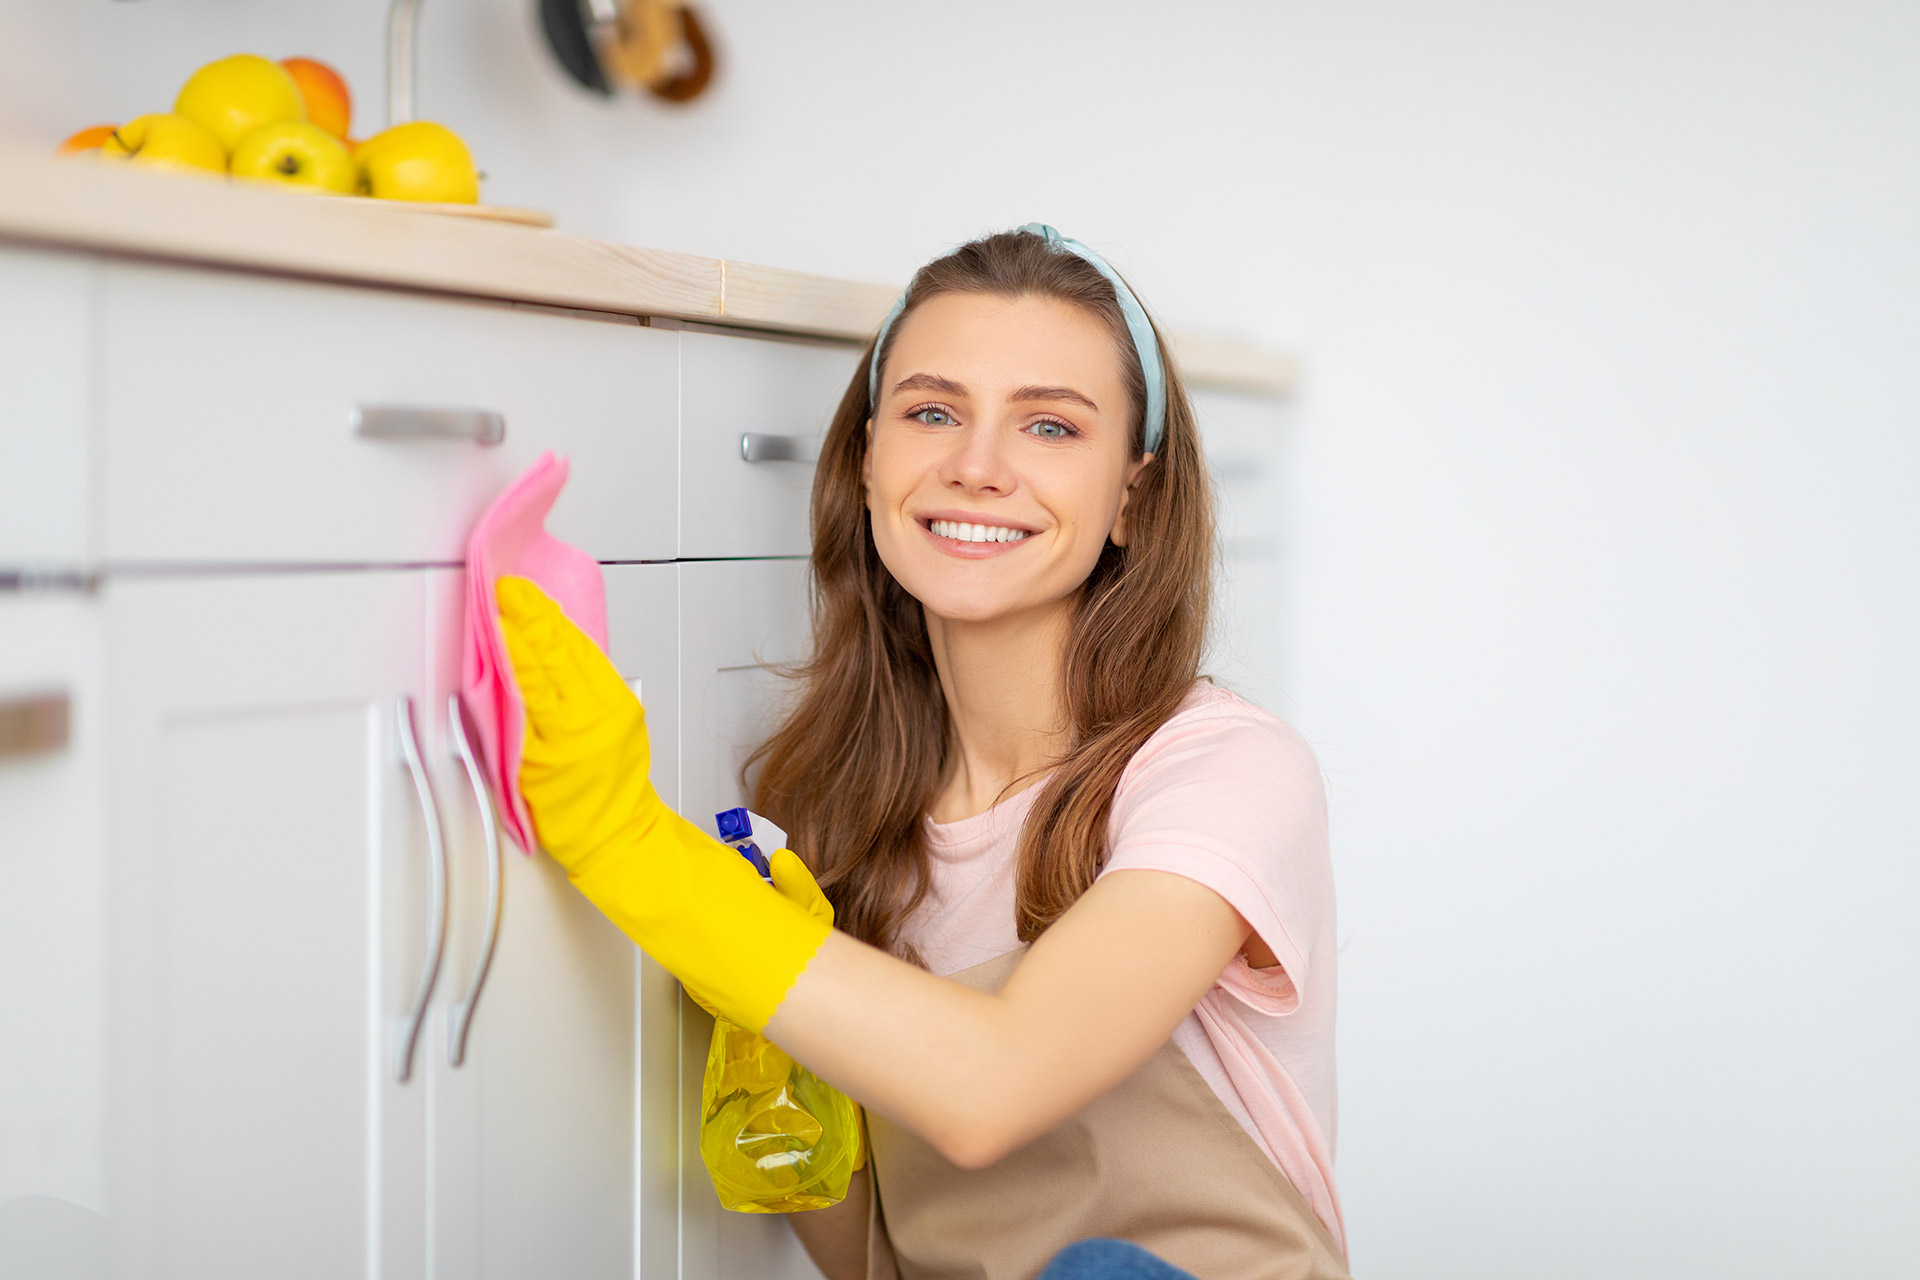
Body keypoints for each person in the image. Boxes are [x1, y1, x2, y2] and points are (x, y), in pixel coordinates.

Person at [496, 225, 1348, 1279]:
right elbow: (873, 1262)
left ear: (1134, 491)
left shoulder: (1222, 771)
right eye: (933, 412)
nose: (977, 466)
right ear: (866, 462)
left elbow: (991, 1085)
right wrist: (776, 1087)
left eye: (1049, 426)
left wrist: (631, 845)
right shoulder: (832, 819)